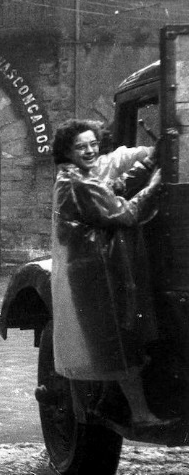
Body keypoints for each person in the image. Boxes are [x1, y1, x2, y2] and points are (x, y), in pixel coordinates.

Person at [49, 119, 168, 427]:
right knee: (118, 341)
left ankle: (100, 406)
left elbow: (110, 190)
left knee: (104, 342)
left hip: (89, 270)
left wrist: (148, 164)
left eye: (92, 144)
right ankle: (141, 415)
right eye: (80, 147)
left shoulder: (74, 176)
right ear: (67, 151)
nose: (89, 151)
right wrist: (155, 183)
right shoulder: (80, 182)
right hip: (97, 274)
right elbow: (124, 213)